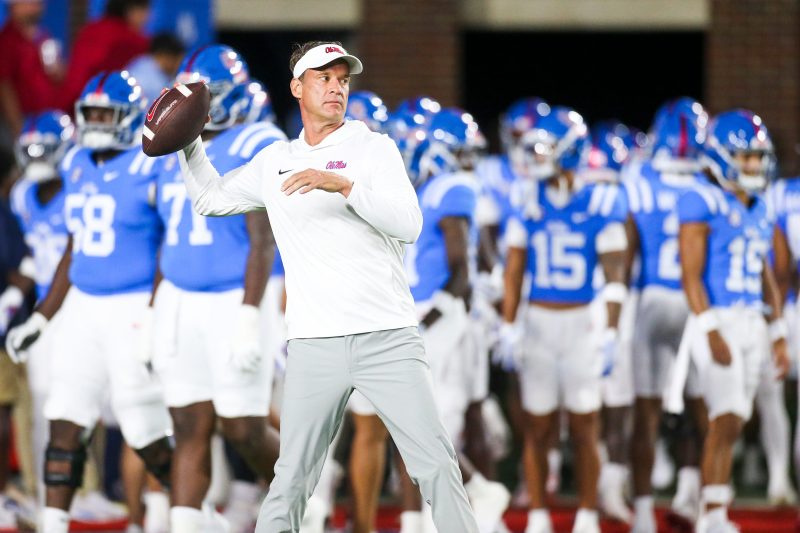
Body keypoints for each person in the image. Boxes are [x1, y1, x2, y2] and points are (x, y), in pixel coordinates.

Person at [174, 40, 479, 533]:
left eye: (342, 79)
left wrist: (345, 186)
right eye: (324, 77)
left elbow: (409, 224)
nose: (336, 87)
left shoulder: (373, 148)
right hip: (314, 341)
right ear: (297, 87)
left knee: (436, 466)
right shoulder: (275, 160)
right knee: (291, 480)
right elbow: (209, 198)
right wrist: (189, 142)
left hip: (386, 335)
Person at [5, 71, 173, 533]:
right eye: (91, 113)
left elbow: (169, 244)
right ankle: (54, 522)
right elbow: (73, 247)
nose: (97, 122)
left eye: (106, 113)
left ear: (129, 116)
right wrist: (42, 316)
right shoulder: (76, 161)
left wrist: (156, 312)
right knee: (64, 420)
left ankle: (187, 512)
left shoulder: (153, 162)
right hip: (82, 306)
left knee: (143, 429)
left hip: (132, 305)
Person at [149, 43, 284, 533]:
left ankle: (303, 499)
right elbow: (167, 234)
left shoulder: (258, 140)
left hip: (235, 296)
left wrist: (250, 312)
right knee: (187, 425)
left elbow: (262, 239)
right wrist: (153, 309)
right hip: (179, 297)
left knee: (243, 427)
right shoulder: (173, 144)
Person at [498, 104, 628, 533]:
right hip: (538, 322)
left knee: (585, 425)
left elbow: (615, 275)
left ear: (569, 151)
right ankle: (538, 514)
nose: (537, 157)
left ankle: (587, 514)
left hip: (582, 322)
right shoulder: (527, 198)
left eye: (546, 148)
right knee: (537, 426)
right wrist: (509, 325)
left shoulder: (600, 200)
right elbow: (514, 271)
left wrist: (611, 331)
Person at [677, 109, 789, 533]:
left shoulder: (759, 206)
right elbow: (691, 275)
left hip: (751, 320)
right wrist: (710, 329)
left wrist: (777, 331)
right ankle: (711, 516)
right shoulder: (701, 199)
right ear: (721, 156)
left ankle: (714, 511)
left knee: (736, 420)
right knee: (724, 419)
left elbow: (765, 274)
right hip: (717, 317)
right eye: (745, 157)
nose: (754, 165)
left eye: (758, 157)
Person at [400, 107, 510, 533]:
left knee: (433, 419)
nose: (468, 162)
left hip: (440, 314)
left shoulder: (452, 187)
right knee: (416, 420)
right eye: (462, 152)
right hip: (425, 310)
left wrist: (429, 319)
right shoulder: (428, 188)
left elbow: (461, 269)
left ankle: (456, 507)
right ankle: (474, 493)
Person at [627, 98, 710, 533]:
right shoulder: (710, 178)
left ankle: (643, 513)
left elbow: (626, 250)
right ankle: (697, 501)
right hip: (697, 303)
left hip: (651, 300)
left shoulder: (638, 177)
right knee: (703, 411)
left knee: (646, 413)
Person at [58, 0, 151, 111]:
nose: (147, 18)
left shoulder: (90, 29)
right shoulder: (132, 41)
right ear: (131, 11)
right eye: (144, 11)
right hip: (100, 108)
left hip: (68, 103)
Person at [0, 0, 63, 139]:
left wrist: (58, 71)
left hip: (46, 119)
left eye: (38, 3)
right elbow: (4, 87)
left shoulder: (44, 35)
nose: (37, 8)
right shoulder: (7, 40)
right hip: (22, 123)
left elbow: (58, 77)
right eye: (30, 4)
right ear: (14, 6)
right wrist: (17, 126)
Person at [126, 33, 186, 104]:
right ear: (164, 55)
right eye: (176, 60)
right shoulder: (153, 79)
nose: (178, 65)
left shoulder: (140, 61)